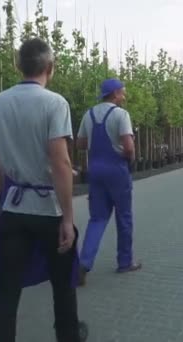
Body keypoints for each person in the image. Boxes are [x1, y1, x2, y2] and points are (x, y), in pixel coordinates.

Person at [0, 37, 87, 342]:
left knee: (7, 287)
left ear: (18, 66)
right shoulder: (54, 103)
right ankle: (68, 335)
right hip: (48, 209)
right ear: (50, 67)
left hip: (14, 209)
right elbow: (60, 163)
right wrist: (67, 218)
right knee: (62, 283)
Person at [76, 78, 142, 286]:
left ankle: (83, 264)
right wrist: (129, 160)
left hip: (95, 171)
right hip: (117, 171)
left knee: (97, 219)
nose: (124, 96)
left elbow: (80, 143)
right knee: (124, 217)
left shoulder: (89, 114)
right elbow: (129, 147)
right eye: (123, 92)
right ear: (114, 94)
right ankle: (125, 262)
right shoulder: (121, 115)